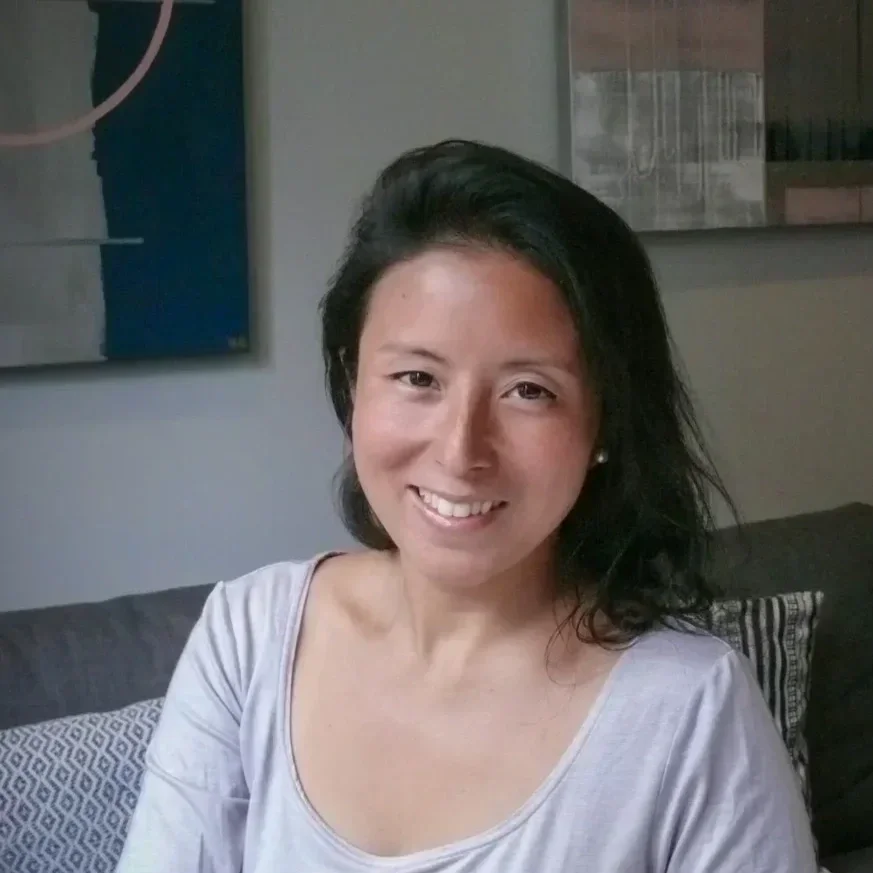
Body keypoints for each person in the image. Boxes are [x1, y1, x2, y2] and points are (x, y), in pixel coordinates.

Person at [117, 140, 818, 872]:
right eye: (418, 378)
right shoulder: (249, 638)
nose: (460, 452)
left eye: (529, 391)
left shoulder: (690, 711)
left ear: (606, 424)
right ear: (354, 383)